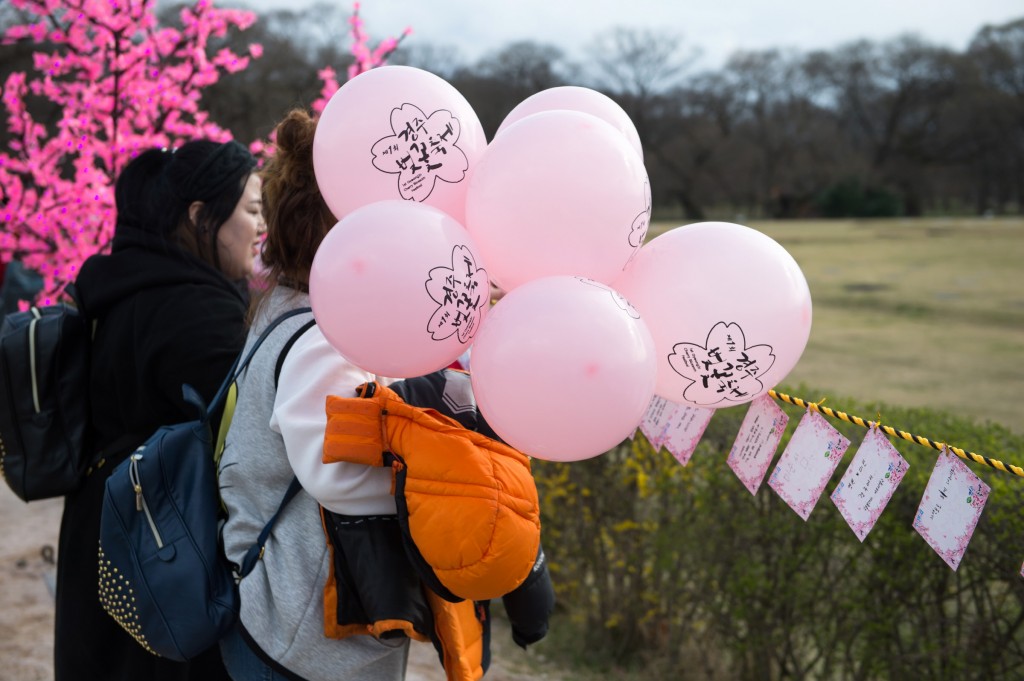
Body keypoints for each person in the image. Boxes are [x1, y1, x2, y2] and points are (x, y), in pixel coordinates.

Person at [56, 139, 262, 681]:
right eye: (251, 210)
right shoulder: (198, 309)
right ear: (200, 217)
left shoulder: (120, 285)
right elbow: (251, 435)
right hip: (163, 544)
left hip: (102, 524)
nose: (261, 228)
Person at [217, 109, 410, 681]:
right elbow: (343, 477)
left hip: (280, 614)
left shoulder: (290, 304)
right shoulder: (324, 339)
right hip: (300, 635)